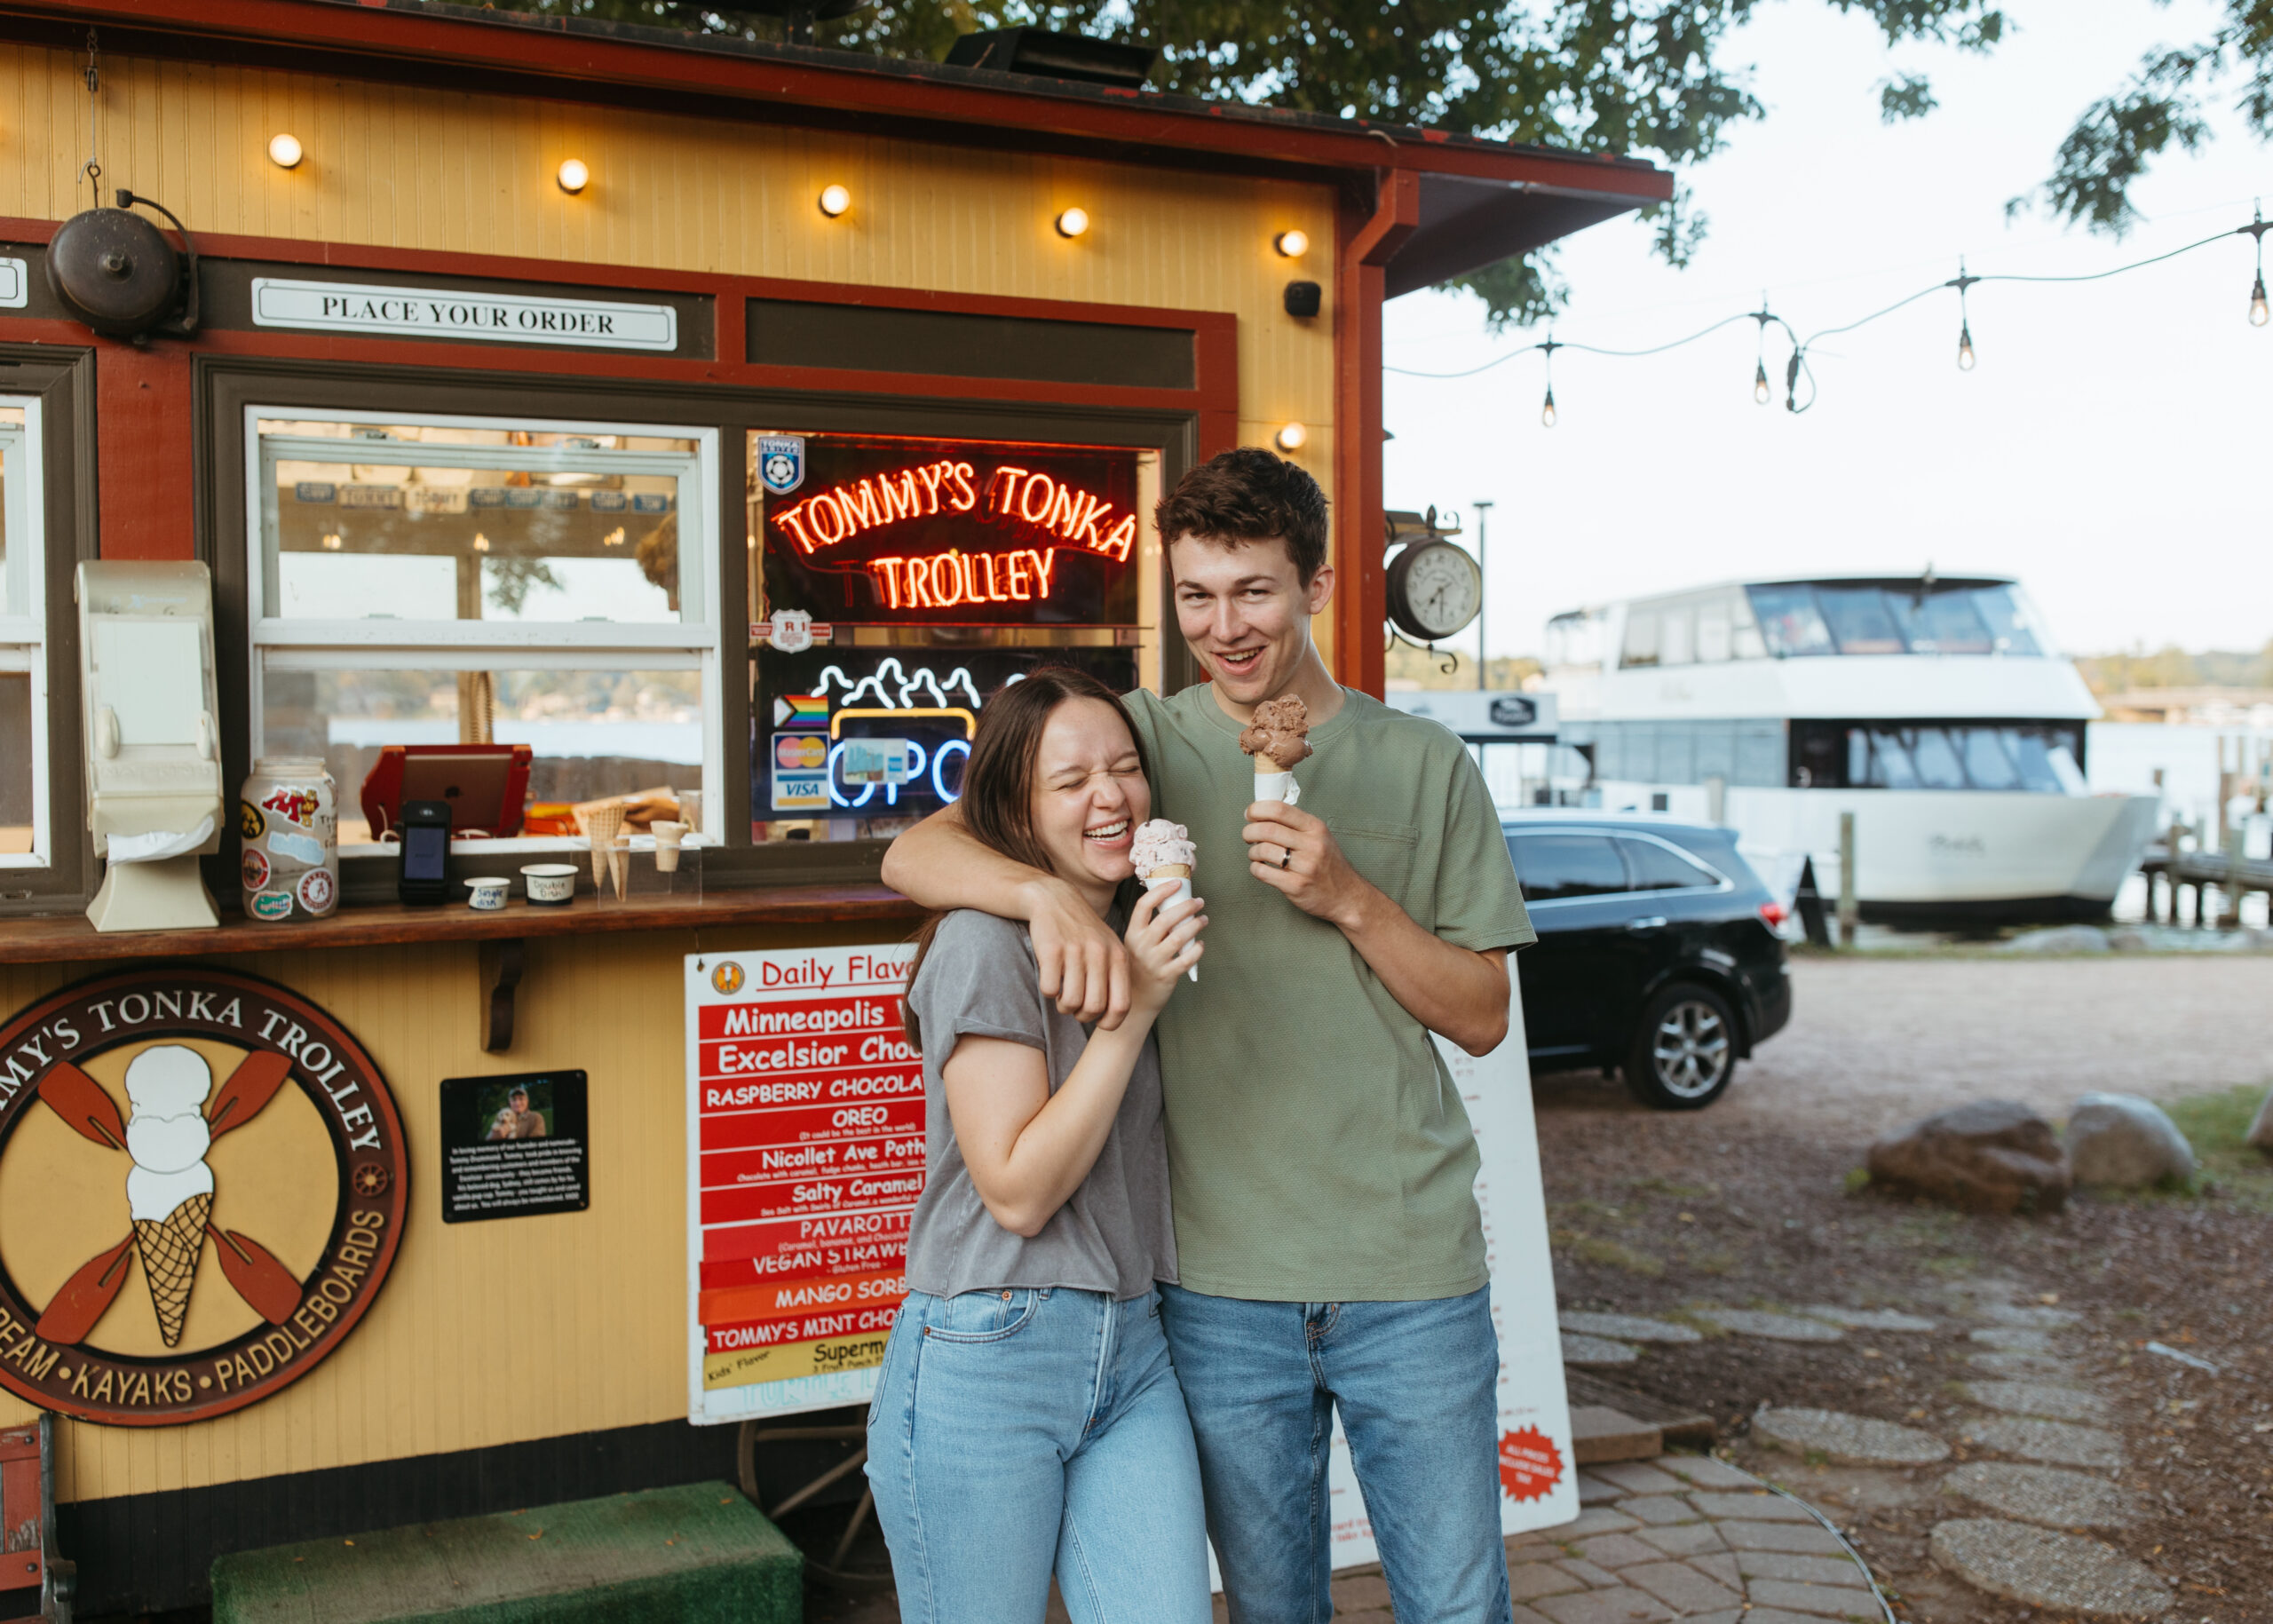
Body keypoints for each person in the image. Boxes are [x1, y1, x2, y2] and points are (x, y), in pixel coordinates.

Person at [883, 448, 1535, 1624]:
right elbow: (915, 850)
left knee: (1457, 1606)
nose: (1225, 626)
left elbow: (1484, 1015)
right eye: (1196, 594)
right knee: (1274, 1611)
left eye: (1254, 591)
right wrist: (1034, 896)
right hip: (1220, 1290)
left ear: (1318, 585)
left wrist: (1350, 896)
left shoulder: (1428, 765)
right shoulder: (1139, 742)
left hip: (1411, 1273)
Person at [864, 667, 1212, 1624]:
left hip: (1132, 1347)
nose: (1109, 796)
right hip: (988, 1347)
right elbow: (1016, 1190)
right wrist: (1132, 1011)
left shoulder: (1125, 920)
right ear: (1015, 808)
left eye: (1126, 769)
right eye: (1070, 781)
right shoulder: (983, 939)